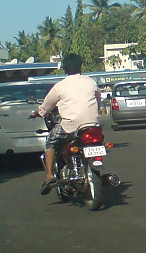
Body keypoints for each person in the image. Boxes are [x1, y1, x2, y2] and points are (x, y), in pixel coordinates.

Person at [31, 53, 101, 196]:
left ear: (65, 69)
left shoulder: (60, 87)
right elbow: (98, 101)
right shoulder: (91, 82)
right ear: (81, 67)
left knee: (50, 142)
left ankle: (49, 176)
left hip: (70, 126)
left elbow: (46, 107)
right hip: (92, 124)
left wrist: (37, 113)